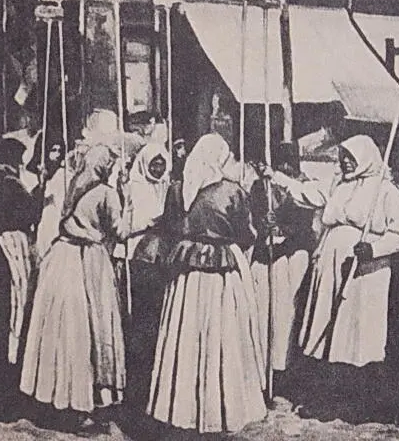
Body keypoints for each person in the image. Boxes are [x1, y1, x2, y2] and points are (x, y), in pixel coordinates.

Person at [259, 135, 399, 428]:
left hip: (365, 274)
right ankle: (327, 399)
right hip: (330, 269)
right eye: (343, 157)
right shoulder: (339, 185)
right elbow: (308, 194)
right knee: (328, 332)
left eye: (351, 158)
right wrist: (276, 177)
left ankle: (361, 403)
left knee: (357, 336)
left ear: (366, 158)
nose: (345, 162)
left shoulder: (386, 191)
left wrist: (373, 249)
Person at [147, 133, 266, 434]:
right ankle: (218, 408)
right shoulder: (232, 191)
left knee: (185, 335)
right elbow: (246, 234)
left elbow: (169, 228)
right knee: (221, 337)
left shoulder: (177, 189)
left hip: (185, 275)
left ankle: (181, 408)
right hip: (220, 276)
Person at [19, 144, 131, 435]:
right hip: (89, 260)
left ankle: (60, 399)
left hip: (61, 256)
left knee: (65, 331)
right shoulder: (106, 193)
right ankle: (88, 404)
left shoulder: (75, 185)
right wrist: (126, 197)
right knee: (93, 329)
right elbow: (120, 231)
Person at [249, 144, 317, 386]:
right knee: (265, 311)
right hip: (268, 255)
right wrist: (264, 224)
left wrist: (283, 229)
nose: (286, 166)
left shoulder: (304, 185)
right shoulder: (261, 186)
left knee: (289, 311)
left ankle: (286, 368)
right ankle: (263, 367)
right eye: (282, 161)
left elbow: (305, 219)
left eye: (290, 161)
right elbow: (254, 214)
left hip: (295, 255)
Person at [116, 143, 172, 412]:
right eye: (154, 163)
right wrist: (150, 222)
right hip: (136, 254)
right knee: (138, 314)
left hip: (158, 256)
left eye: (161, 164)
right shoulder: (133, 187)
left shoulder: (166, 186)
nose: (158, 168)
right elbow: (126, 225)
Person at [0, 139, 40, 422]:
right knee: (10, 317)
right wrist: (41, 191)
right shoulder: (11, 184)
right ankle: (4, 400)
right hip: (9, 250)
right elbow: (30, 212)